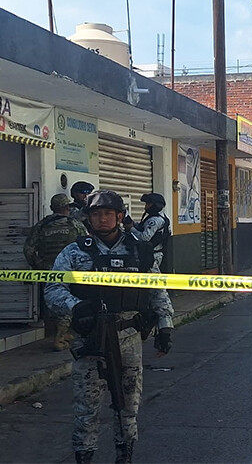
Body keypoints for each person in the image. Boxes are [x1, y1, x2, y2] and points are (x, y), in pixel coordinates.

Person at [45, 190, 174, 464]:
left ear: (119, 216)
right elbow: (53, 288)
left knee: (128, 405)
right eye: (95, 214)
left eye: (107, 213)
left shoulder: (139, 250)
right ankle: (84, 456)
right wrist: (75, 307)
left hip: (128, 336)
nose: (101, 219)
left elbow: (156, 288)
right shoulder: (75, 251)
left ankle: (124, 455)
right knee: (86, 407)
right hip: (90, 339)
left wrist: (165, 326)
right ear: (88, 218)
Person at [23, 193, 88, 350]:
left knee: (52, 301)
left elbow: (28, 249)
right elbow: (87, 246)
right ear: (67, 207)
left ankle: (59, 333)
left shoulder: (41, 225)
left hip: (47, 269)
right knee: (68, 300)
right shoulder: (75, 224)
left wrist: (38, 266)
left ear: (52, 208)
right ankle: (59, 338)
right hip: (70, 270)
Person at [123, 193, 171, 271]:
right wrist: (133, 224)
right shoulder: (159, 217)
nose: (145, 207)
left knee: (153, 280)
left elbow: (144, 238)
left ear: (155, 205)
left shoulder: (155, 220)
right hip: (152, 254)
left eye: (148, 204)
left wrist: (131, 228)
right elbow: (143, 227)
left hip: (152, 256)